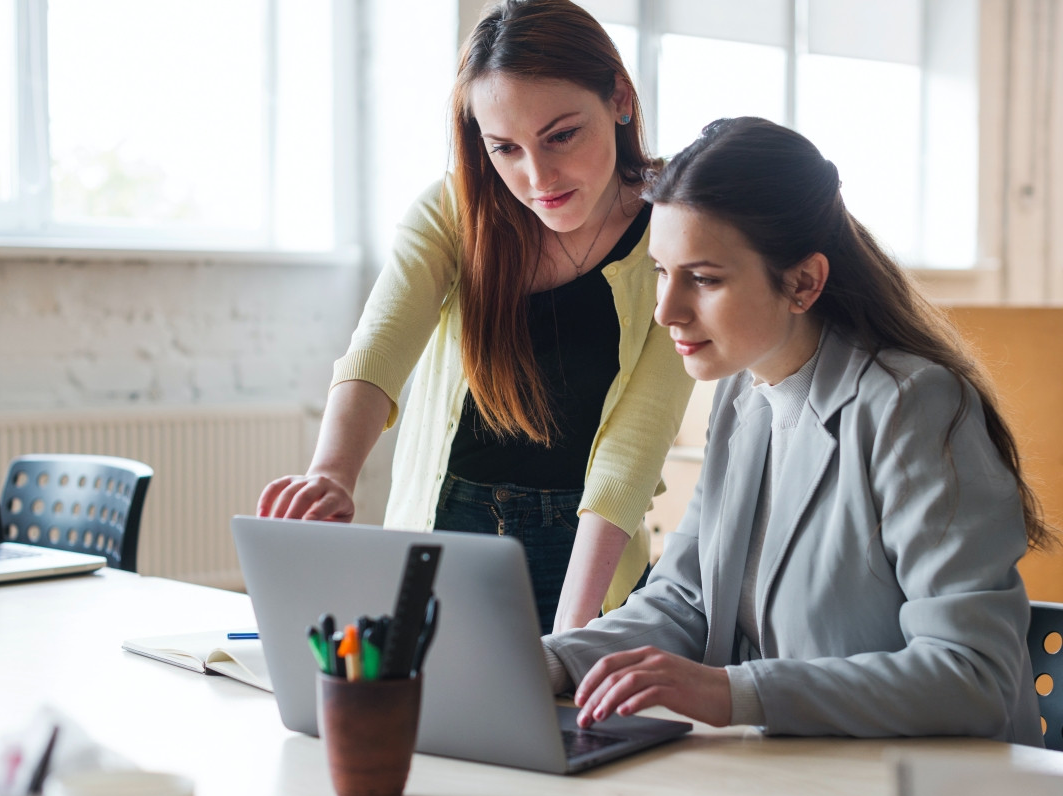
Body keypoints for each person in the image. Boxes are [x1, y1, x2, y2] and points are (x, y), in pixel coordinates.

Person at [542, 116, 1054, 745]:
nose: (666, 311)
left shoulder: (911, 406)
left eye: (703, 278)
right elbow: (684, 600)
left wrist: (734, 694)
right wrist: (553, 660)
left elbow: (973, 675)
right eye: (660, 272)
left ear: (805, 282)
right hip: (789, 771)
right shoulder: (742, 392)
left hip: (917, 781)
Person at [256, 0, 693, 635]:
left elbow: (636, 445)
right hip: (444, 521)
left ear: (620, 99)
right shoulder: (454, 209)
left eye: (562, 135)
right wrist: (332, 474)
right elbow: (379, 351)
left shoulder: (675, 231)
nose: (537, 176)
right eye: (505, 148)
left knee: (563, 722)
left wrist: (575, 627)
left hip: (586, 545)